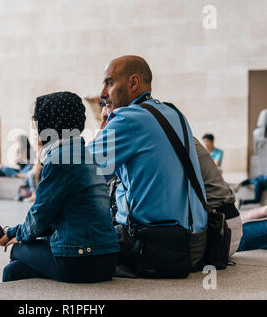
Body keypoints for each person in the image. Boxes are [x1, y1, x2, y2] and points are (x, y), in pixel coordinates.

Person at [89, 55, 208, 269]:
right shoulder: (174, 113)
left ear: (133, 82)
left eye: (109, 82)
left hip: (156, 247)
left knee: (57, 250)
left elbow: (82, 169)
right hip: (196, 240)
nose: (103, 93)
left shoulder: (129, 119)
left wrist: (103, 127)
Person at [0, 91, 119, 283]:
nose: (34, 131)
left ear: (50, 124)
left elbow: (40, 217)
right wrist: (11, 233)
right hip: (107, 259)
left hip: (80, 260)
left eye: (35, 124)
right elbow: (50, 218)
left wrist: (14, 238)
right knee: (15, 270)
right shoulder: (86, 154)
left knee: (18, 250)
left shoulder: (60, 160)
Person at [98, 102, 242, 257]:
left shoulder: (143, 135)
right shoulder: (172, 130)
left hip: (215, 233)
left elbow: (96, 171)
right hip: (227, 226)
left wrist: (104, 133)